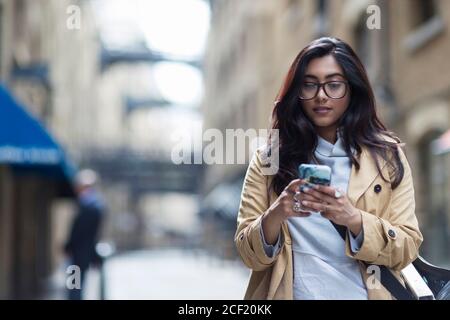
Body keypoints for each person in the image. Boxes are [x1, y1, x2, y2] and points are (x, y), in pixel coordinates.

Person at [235, 37, 423, 300]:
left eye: (333, 85)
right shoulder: (269, 160)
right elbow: (248, 254)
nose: (321, 95)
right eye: (309, 85)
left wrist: (354, 219)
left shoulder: (387, 157)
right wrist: (278, 212)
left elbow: (408, 247)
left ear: (352, 89)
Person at [64, 169, 105, 300]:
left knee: (74, 287)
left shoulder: (89, 207)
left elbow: (81, 232)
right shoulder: (93, 206)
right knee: (75, 286)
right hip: (82, 253)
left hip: (78, 255)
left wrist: (69, 246)